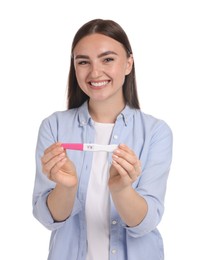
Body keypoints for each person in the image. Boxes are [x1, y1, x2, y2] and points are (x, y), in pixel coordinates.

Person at [32, 19, 173, 260]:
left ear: (128, 63)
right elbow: (48, 218)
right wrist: (66, 187)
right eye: (83, 62)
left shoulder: (156, 132)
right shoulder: (54, 126)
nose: (95, 72)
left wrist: (122, 190)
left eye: (107, 59)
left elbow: (146, 223)